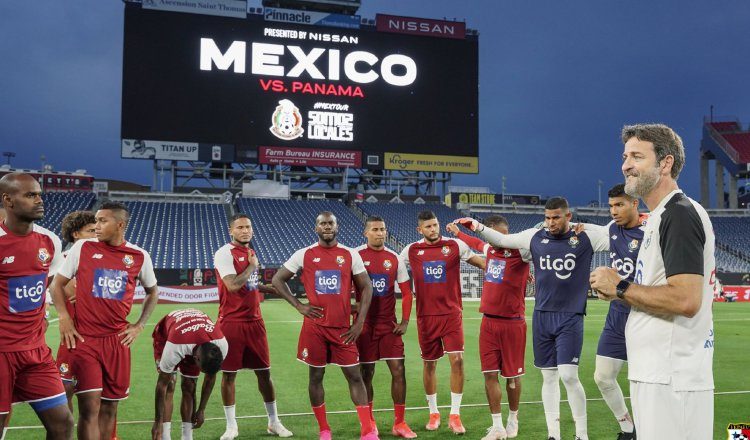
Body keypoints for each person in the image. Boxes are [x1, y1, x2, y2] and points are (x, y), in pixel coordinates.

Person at [590, 123, 716, 440]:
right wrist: (620, 293)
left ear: (665, 163)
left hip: (672, 378)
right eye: (624, 156)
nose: (626, 165)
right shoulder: (660, 216)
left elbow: (686, 300)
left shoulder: (679, 213)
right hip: (657, 374)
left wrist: (620, 287)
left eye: (637, 156)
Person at [457, 197, 609, 440]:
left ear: (568, 216)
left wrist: (587, 226)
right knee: (548, 377)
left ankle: (582, 435)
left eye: (556, 217)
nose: (550, 222)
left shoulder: (584, 238)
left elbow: (614, 235)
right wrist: (475, 226)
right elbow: (502, 240)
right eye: (547, 218)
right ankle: (553, 435)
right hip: (542, 316)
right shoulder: (534, 237)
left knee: (569, 376)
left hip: (570, 315)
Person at [49, 201, 160, 440]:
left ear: (120, 225)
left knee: (110, 407)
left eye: (102, 221)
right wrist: (64, 316)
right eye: (95, 221)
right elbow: (56, 285)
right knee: (90, 407)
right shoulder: (83, 248)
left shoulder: (139, 256)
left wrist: (139, 325)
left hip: (117, 343)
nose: (96, 226)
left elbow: (153, 291)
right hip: (85, 340)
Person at [272, 211, 378, 440]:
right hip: (315, 329)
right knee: (315, 377)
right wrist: (299, 306)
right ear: (316, 228)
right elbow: (277, 280)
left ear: (337, 227)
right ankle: (324, 429)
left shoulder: (350, 254)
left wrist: (359, 323)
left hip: (343, 328)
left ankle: (367, 430)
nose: (327, 226)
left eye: (331, 223)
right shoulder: (304, 254)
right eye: (323, 224)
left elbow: (367, 287)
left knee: (355, 376)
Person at [0, 172, 73, 440]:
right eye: (30, 195)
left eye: (39, 194)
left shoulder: (49, 241)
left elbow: (50, 284)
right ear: (8, 200)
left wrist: (46, 311)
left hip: (35, 353)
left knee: (63, 424)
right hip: (1, 352)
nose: (40, 200)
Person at [400, 210, 485, 435]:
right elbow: (393, 271)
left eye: (435, 225)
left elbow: (482, 263)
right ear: (420, 230)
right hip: (426, 317)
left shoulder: (455, 246)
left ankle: (455, 416)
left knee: (457, 361)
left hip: (451, 315)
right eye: (428, 226)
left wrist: (511, 270)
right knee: (430, 364)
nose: (433, 229)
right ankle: (434, 412)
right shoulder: (411, 250)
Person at [447, 215, 531, 440]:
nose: (501, 240)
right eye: (496, 235)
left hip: (513, 323)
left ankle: (513, 418)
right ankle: (497, 426)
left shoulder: (521, 252)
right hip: (489, 323)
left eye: (504, 236)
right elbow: (475, 243)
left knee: (512, 377)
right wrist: (458, 234)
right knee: (489, 374)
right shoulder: (490, 251)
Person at [213, 214, 292, 439]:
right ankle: (231, 426)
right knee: (229, 375)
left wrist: (274, 290)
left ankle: (274, 422)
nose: (245, 230)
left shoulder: (251, 253)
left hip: (255, 322)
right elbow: (232, 285)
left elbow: (250, 285)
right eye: (240, 227)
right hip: (231, 323)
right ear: (231, 231)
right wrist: (251, 266)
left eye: (248, 227)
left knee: (265, 374)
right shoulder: (224, 253)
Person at [581, 184, 645, 440]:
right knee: (603, 377)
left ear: (635, 204)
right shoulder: (613, 230)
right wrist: (580, 228)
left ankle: (652, 428)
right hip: (617, 315)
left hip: (645, 314)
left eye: (620, 204)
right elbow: (598, 231)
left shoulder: (652, 232)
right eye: (611, 206)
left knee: (644, 382)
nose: (614, 211)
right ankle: (629, 429)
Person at [353, 216, 417, 438]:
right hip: (365, 327)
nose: (380, 233)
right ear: (366, 233)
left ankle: (400, 423)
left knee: (399, 370)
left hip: (388, 326)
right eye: (375, 229)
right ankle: (369, 423)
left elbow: (407, 292)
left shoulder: (394, 258)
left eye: (383, 229)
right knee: (366, 373)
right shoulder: (355, 256)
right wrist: (354, 310)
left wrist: (405, 321)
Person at [151, 308, 228, 440]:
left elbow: (211, 376)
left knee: (189, 386)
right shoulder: (175, 345)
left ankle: (187, 436)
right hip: (166, 336)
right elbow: (161, 385)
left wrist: (202, 409)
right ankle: (165, 436)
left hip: (194, 338)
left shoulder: (221, 344)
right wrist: (157, 421)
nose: (201, 373)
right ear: (196, 359)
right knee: (170, 384)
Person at [55, 210, 97, 411]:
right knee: (64, 389)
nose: (96, 234)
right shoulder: (60, 261)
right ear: (75, 234)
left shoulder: (103, 259)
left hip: (99, 337)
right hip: (71, 338)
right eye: (90, 231)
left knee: (98, 396)